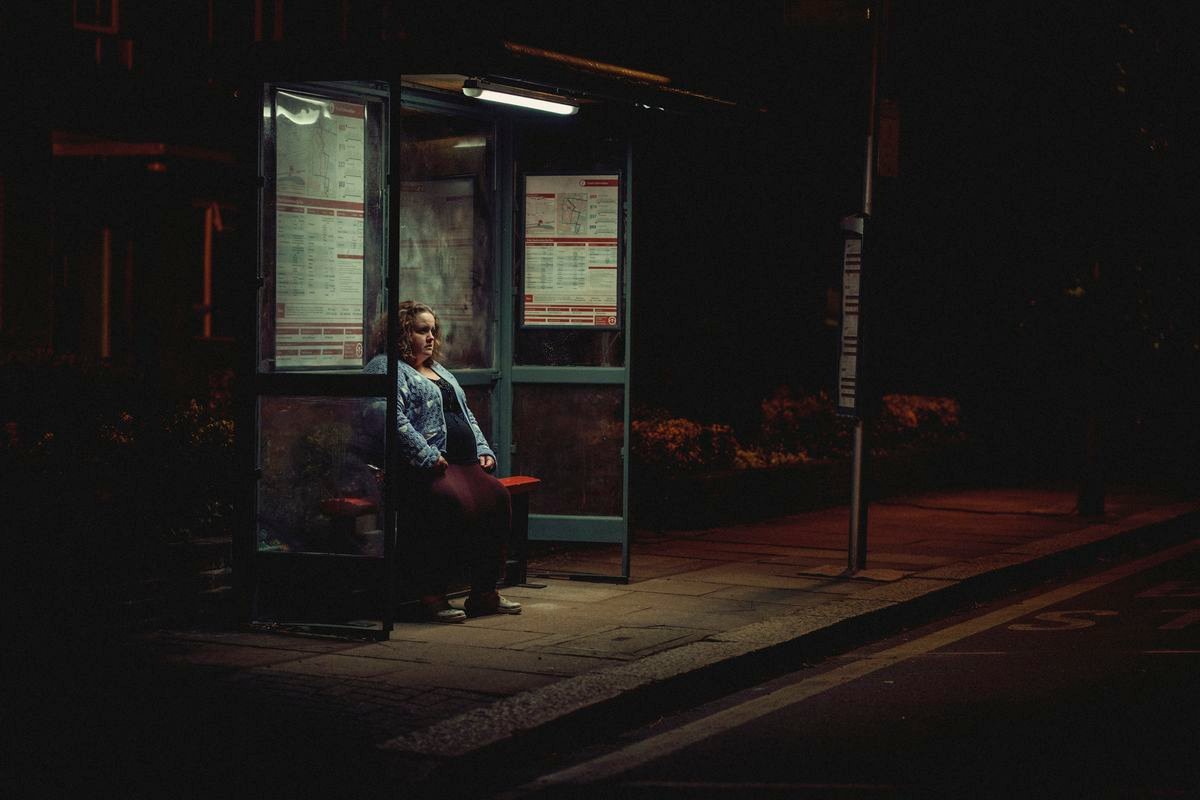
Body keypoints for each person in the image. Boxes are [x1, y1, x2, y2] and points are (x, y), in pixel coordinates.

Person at [365, 301, 521, 623]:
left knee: (498, 498)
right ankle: (431, 596)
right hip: (427, 468)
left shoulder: (440, 371)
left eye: (433, 330)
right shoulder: (385, 367)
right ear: (403, 333)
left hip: (465, 465)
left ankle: (483, 593)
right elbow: (388, 418)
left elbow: (466, 416)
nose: (431, 337)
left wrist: (483, 448)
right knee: (450, 505)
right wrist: (425, 455)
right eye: (422, 330)